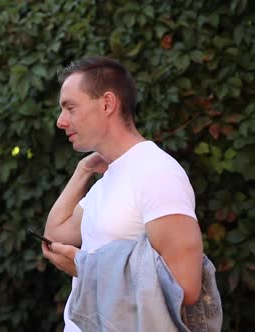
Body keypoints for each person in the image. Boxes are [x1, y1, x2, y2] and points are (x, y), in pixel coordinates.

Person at [42, 56, 204, 331]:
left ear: (107, 103)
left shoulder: (157, 173)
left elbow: (185, 287)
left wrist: (87, 270)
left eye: (70, 107)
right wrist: (82, 171)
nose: (60, 121)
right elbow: (55, 236)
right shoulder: (109, 177)